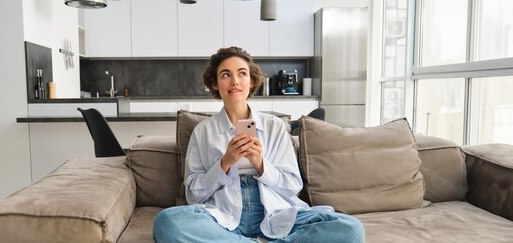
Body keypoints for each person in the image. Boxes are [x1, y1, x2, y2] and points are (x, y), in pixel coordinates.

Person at [153, 47, 365, 242]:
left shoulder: (274, 126)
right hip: (222, 215)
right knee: (167, 223)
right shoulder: (203, 131)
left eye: (242, 73)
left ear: (252, 81)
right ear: (215, 84)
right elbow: (193, 194)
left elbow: (293, 186)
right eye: (226, 74)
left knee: (351, 228)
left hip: (275, 212)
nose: (235, 81)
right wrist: (225, 163)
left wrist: (261, 164)